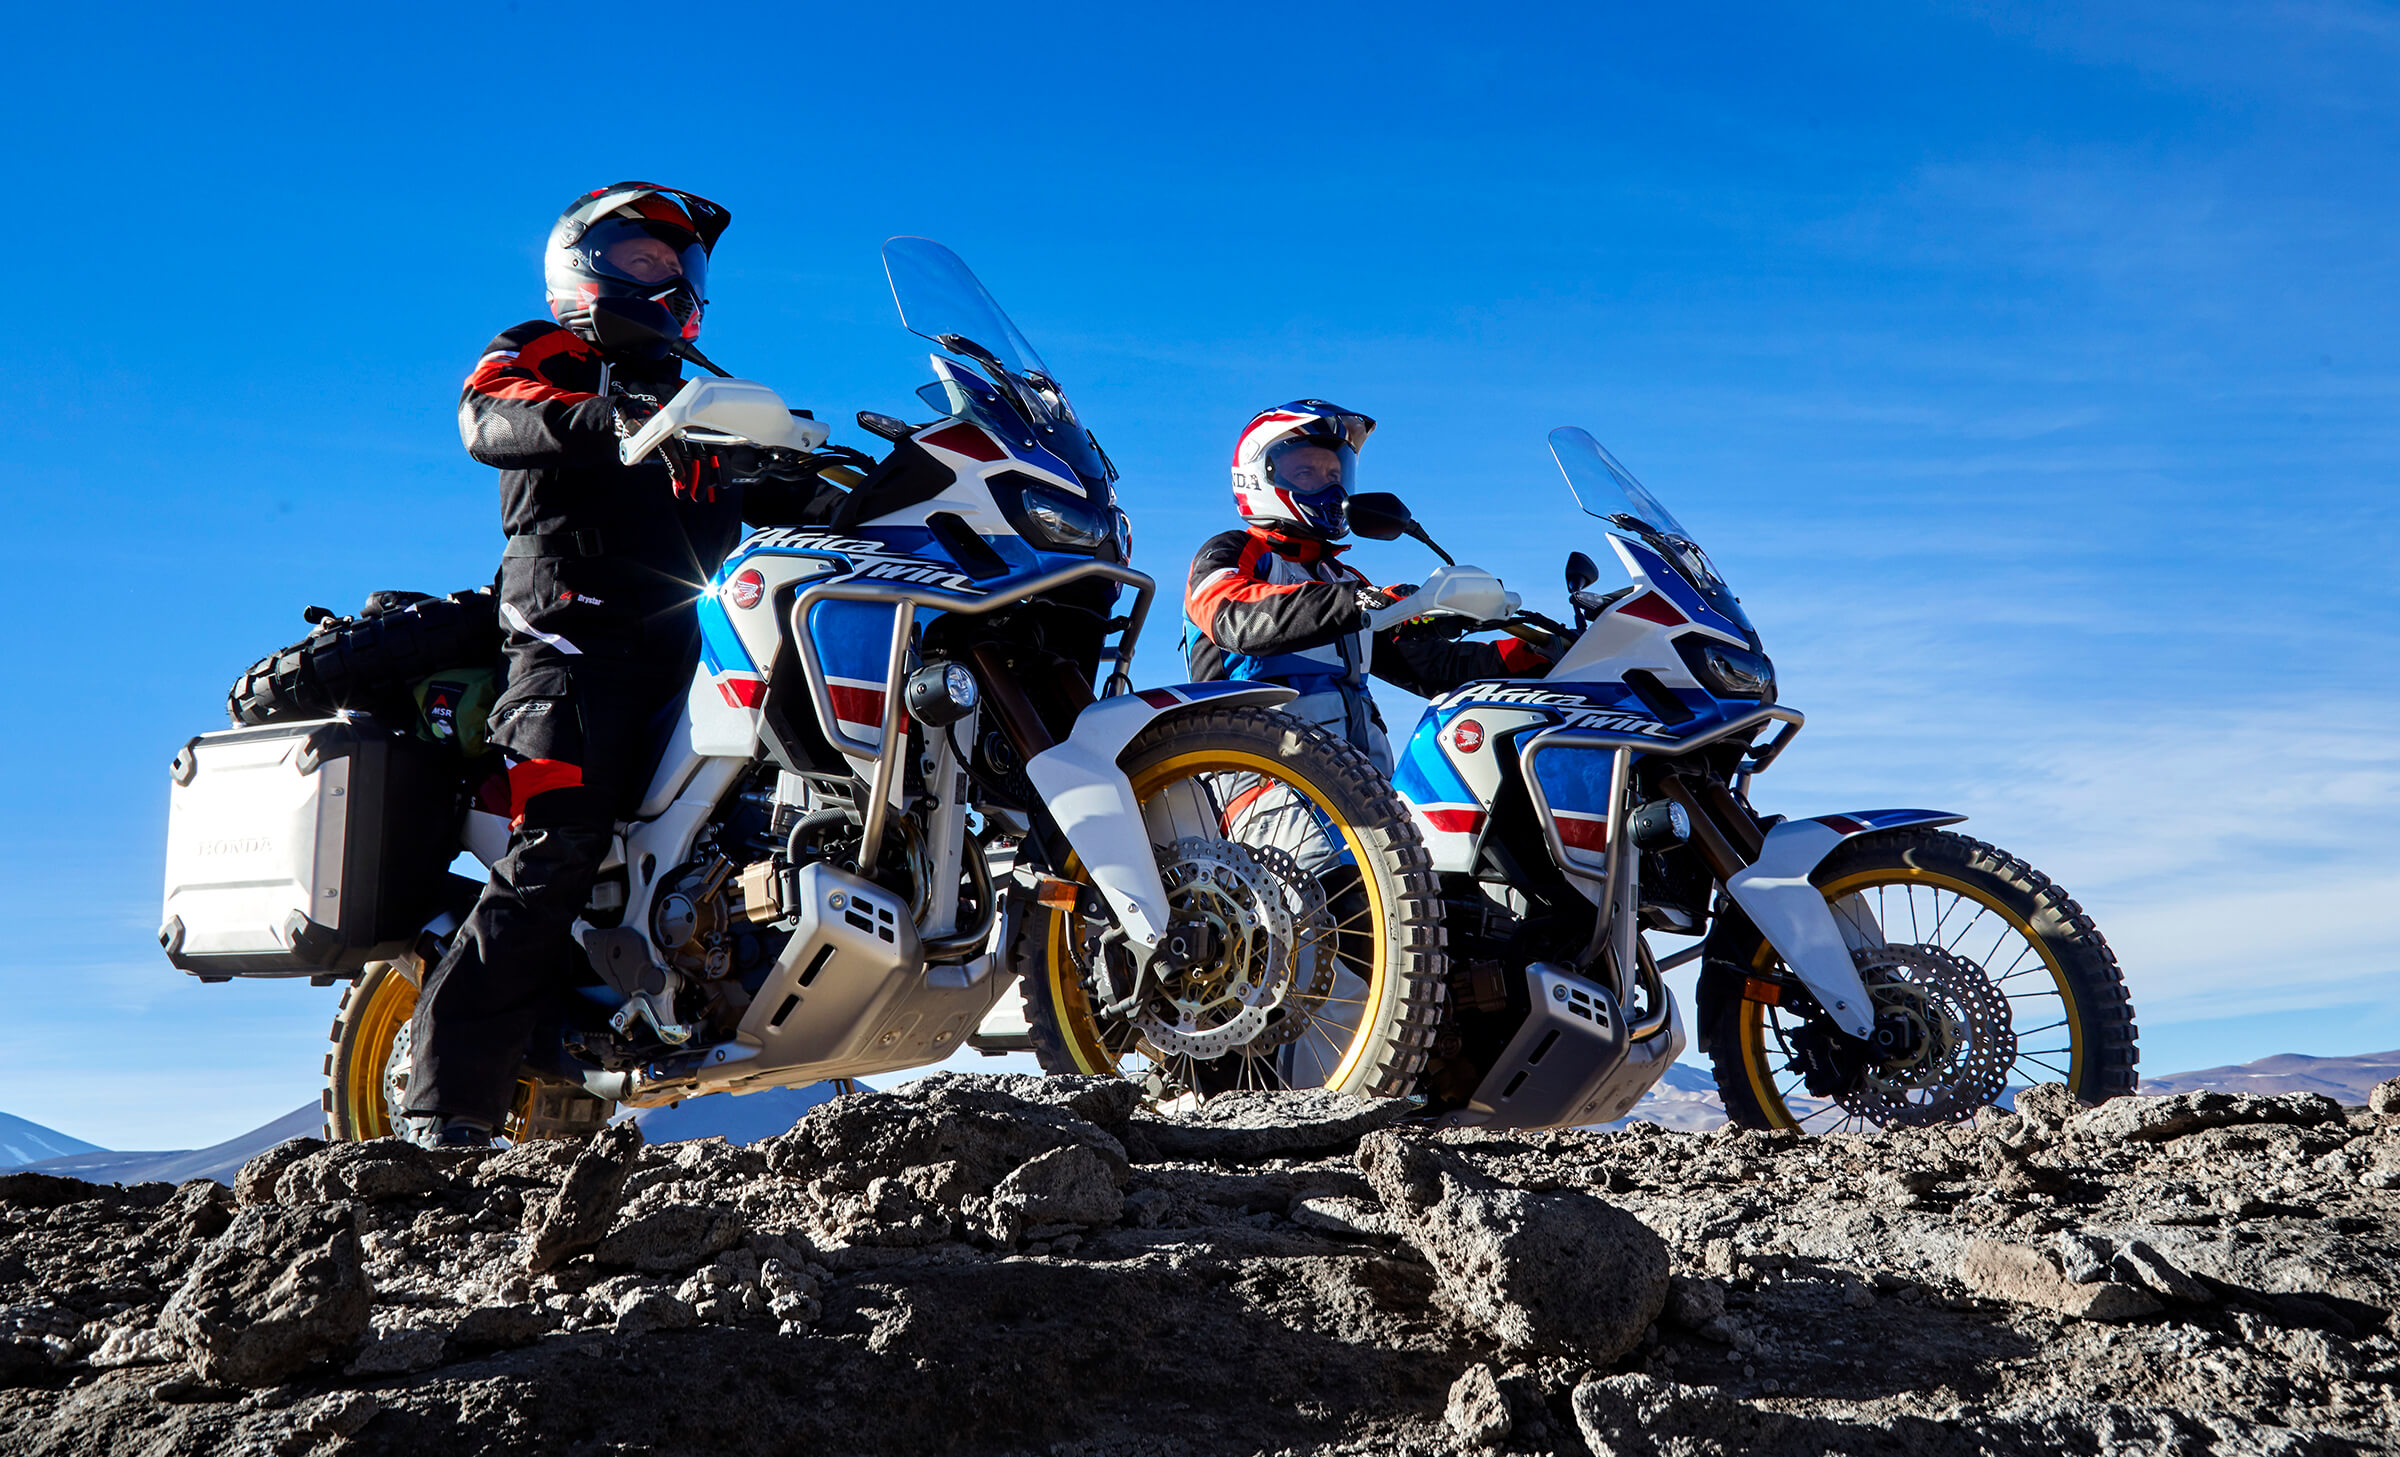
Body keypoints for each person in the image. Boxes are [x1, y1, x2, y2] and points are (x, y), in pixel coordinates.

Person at [402, 183, 835, 1148]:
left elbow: (773, 484)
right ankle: (442, 1113)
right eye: (646, 258)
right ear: (583, 262)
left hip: (689, 644)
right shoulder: (546, 350)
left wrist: (827, 472)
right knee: (552, 844)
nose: (671, 277)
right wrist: (615, 418)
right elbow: (490, 417)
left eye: (682, 266)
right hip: (568, 644)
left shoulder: (702, 392)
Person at [1183, 400, 1555, 771]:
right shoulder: (1233, 551)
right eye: (1308, 473)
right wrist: (1359, 601)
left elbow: (1433, 668)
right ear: (1260, 475)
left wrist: (1543, 653)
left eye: (1336, 475)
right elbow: (1236, 616)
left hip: (1362, 787)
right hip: (1263, 786)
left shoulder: (1343, 579)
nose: (1331, 489)